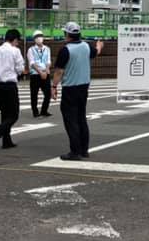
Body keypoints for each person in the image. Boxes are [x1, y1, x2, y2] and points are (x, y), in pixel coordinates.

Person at [52, 21, 104, 161]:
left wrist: (54, 87)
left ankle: (75, 151)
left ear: (68, 34)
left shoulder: (66, 50)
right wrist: (99, 46)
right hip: (83, 88)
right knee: (81, 118)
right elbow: (96, 52)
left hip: (70, 89)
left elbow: (59, 72)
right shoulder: (86, 47)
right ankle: (84, 149)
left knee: (71, 120)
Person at [0, 29, 26, 154]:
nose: (18, 43)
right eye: (18, 41)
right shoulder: (15, 51)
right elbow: (20, 69)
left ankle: (6, 141)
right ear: (14, 40)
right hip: (10, 85)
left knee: (4, 113)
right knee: (13, 115)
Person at [27, 30, 53, 118]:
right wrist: (40, 72)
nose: (39, 38)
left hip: (46, 73)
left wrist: (46, 70)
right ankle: (35, 112)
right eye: (37, 37)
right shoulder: (31, 50)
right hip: (35, 74)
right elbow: (31, 63)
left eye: (41, 36)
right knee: (34, 94)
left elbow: (48, 61)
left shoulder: (47, 49)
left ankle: (44, 110)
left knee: (48, 93)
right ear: (34, 39)